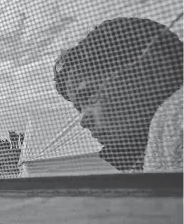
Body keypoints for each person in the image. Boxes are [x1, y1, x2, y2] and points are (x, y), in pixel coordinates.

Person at [53, 17, 183, 172]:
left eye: (89, 96)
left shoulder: (175, 119)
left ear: (154, 70)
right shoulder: (141, 159)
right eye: (79, 109)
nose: (84, 122)